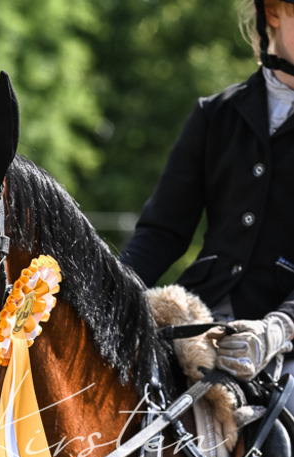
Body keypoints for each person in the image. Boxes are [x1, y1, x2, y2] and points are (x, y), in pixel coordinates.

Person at [120, 0, 294, 383]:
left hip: (283, 333)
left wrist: (280, 327)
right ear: (274, 14)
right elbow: (162, 232)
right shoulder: (215, 114)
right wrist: (112, 290)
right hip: (202, 315)